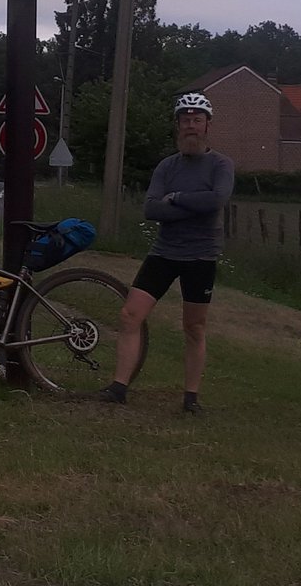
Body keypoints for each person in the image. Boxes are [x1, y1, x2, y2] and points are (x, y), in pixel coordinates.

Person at [99, 92, 234, 414]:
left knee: (194, 327)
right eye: (185, 121)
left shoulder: (221, 164)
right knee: (130, 315)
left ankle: (191, 398)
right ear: (178, 126)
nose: (191, 126)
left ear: (207, 126)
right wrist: (189, 203)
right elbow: (150, 209)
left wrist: (175, 199)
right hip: (165, 251)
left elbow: (216, 202)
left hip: (201, 256)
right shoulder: (166, 166)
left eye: (196, 121)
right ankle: (118, 388)